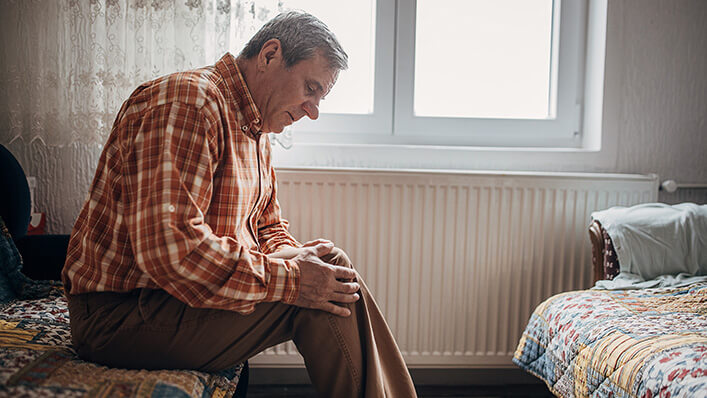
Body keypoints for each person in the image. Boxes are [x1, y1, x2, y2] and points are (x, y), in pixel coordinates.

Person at [62, 11, 417, 397]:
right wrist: (295, 280)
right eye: (310, 89)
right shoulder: (189, 104)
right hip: (120, 317)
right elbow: (173, 252)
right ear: (269, 55)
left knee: (331, 269)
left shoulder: (256, 127)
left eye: (320, 97)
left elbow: (268, 225)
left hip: (172, 301)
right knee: (321, 293)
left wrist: (295, 256)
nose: (312, 111)